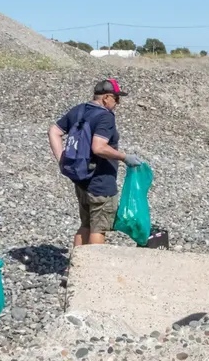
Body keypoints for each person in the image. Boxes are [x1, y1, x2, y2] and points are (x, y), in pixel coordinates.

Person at [48, 79, 142, 247]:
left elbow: (54, 131)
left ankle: (76, 267)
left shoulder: (80, 110)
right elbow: (98, 147)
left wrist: (62, 160)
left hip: (81, 178)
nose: (117, 103)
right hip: (101, 182)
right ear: (106, 97)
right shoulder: (106, 117)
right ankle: (93, 270)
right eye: (116, 98)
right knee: (98, 228)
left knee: (86, 224)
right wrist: (124, 157)